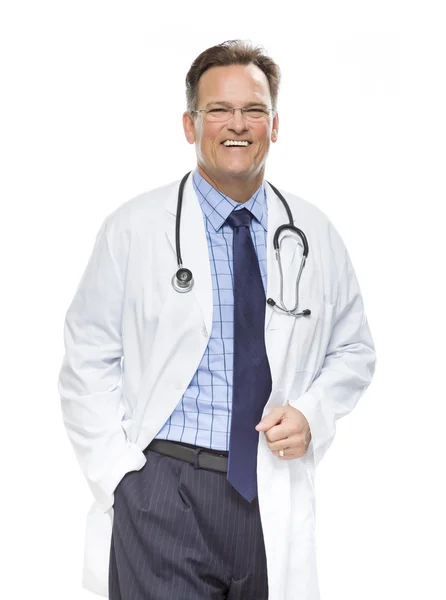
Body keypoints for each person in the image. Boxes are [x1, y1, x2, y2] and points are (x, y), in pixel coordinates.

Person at [58, 39, 376, 600]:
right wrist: (119, 478)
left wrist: (312, 412)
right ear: (190, 124)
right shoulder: (133, 229)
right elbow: (87, 357)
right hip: (162, 491)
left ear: (274, 127)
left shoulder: (315, 234)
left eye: (254, 110)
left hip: (266, 488)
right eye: (219, 110)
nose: (238, 125)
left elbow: (354, 350)